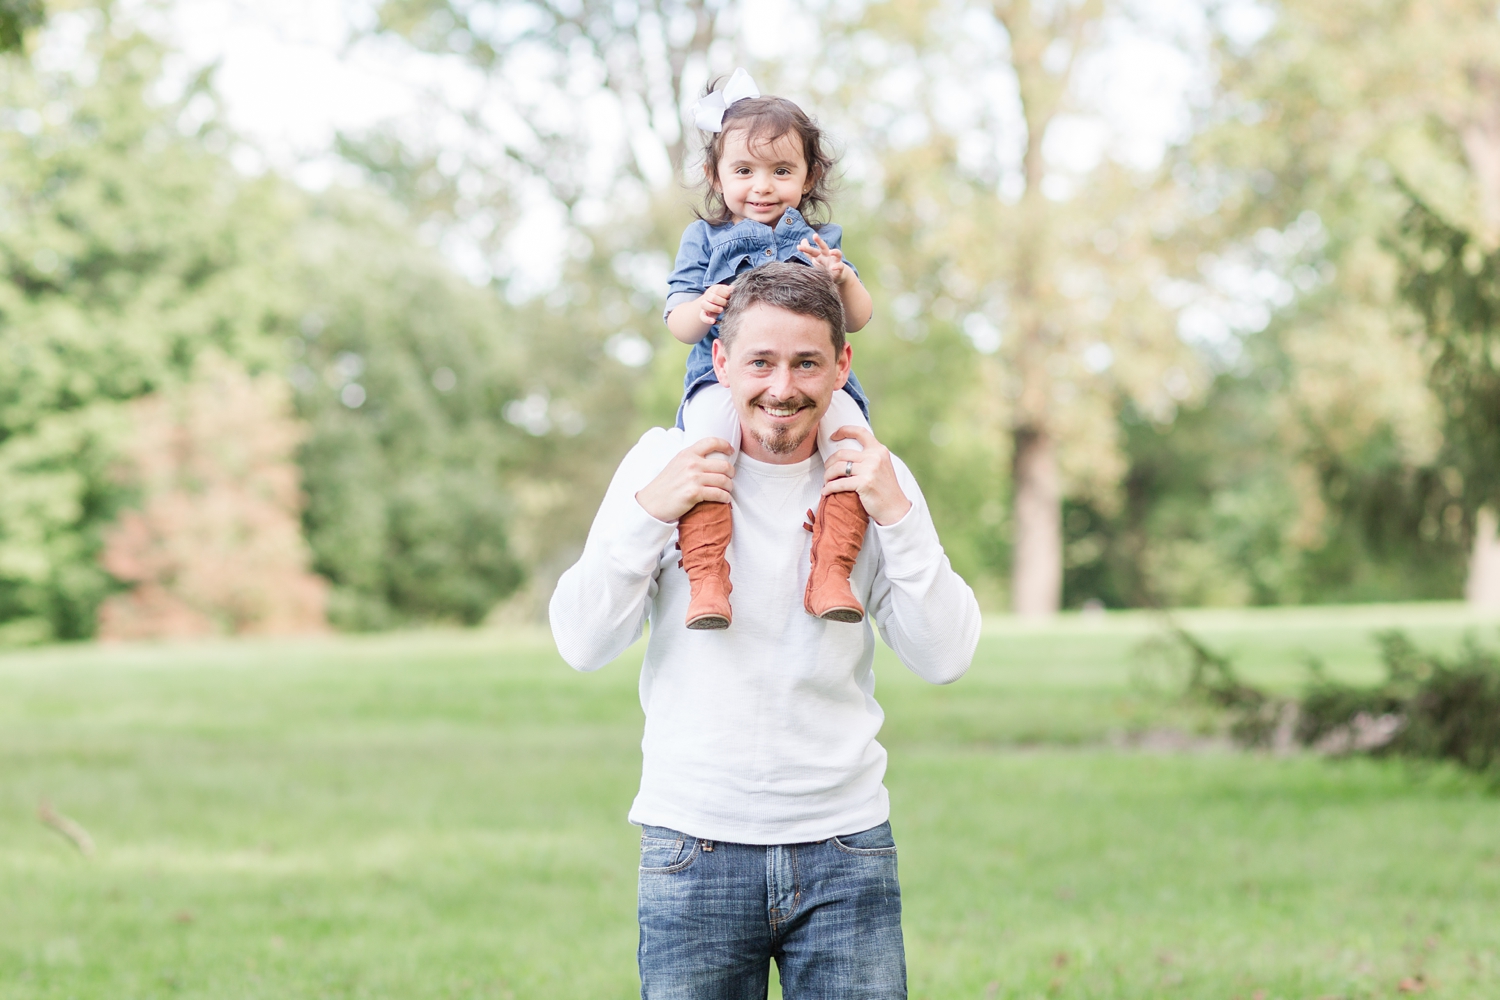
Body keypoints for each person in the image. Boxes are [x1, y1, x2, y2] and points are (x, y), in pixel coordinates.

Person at [550, 263, 981, 999]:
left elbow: (945, 657)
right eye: (760, 362)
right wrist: (650, 511)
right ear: (720, 361)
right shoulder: (663, 464)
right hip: (694, 845)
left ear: (842, 366)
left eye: (807, 362)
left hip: (846, 849)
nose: (783, 388)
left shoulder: (873, 472)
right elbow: (583, 644)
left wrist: (900, 518)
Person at [665, 68, 877, 631]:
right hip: (723, 379)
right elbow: (678, 322)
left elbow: (858, 318)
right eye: (744, 171)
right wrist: (702, 309)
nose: (763, 187)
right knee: (708, 447)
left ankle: (832, 568)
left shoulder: (820, 241)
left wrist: (843, 279)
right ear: (716, 175)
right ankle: (708, 577)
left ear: (807, 178)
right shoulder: (703, 241)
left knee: (854, 449)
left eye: (782, 171)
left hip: (815, 380)